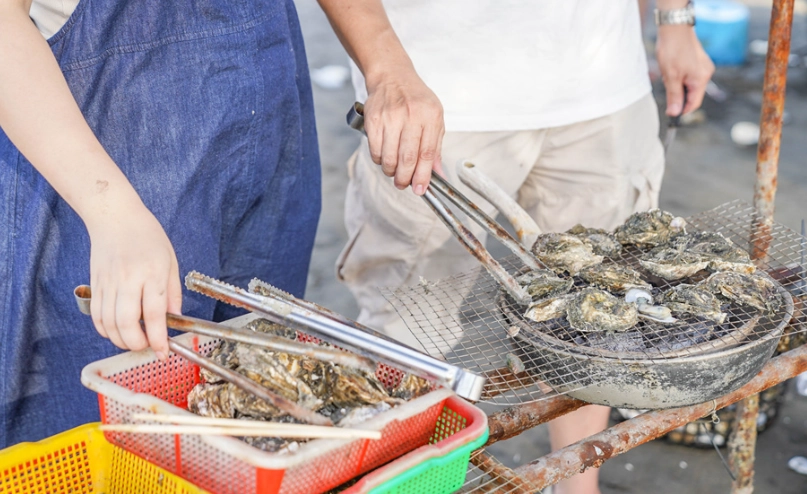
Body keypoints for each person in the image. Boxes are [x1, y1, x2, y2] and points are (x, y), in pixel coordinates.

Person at [318, 1, 714, 493]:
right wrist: (385, 69)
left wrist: (675, 18)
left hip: (603, 88)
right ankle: (408, 484)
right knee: (412, 331)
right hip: (432, 92)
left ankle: (576, 487)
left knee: (598, 326)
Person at [0, 0, 320, 447]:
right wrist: (112, 212)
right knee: (114, 434)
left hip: (271, 118)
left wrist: (381, 58)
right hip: (108, 152)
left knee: (265, 401)